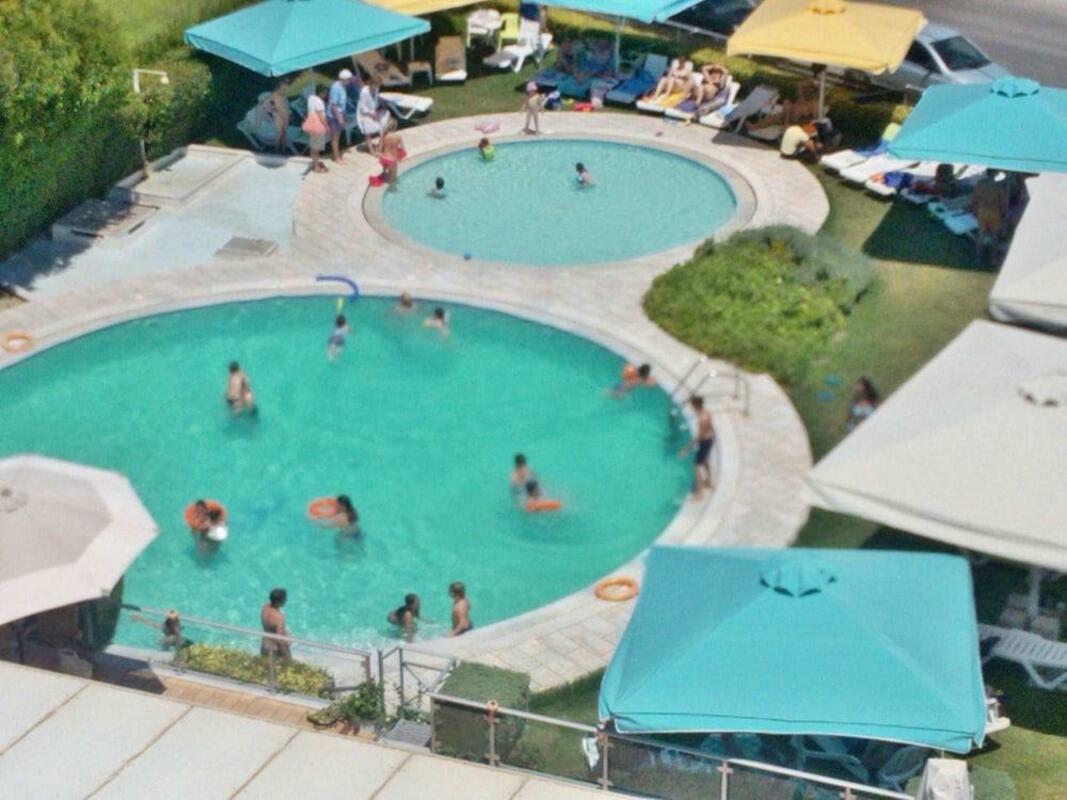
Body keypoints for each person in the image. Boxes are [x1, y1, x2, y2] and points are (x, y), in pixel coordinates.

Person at [678, 395, 715, 498]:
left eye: (692, 405)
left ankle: (699, 492)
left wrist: (686, 449)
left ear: (696, 405)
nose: (691, 407)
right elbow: (710, 428)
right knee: (705, 460)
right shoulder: (707, 412)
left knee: (696, 465)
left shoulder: (702, 419)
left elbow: (699, 436)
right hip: (710, 439)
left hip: (704, 441)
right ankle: (709, 482)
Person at [972, 169, 1007, 264]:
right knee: (995, 236)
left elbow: (974, 198)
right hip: (994, 212)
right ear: (995, 173)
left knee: (981, 234)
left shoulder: (980, 183)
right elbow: (1003, 202)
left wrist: (974, 210)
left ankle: (977, 257)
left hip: (982, 210)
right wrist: (1003, 214)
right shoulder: (998, 186)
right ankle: (993, 258)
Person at [357, 77, 393, 155]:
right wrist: (370, 113)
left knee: (382, 129)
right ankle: (371, 150)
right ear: (372, 84)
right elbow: (362, 107)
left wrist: (379, 108)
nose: (378, 87)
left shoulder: (376, 89)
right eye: (377, 85)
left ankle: (380, 147)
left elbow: (375, 101)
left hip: (374, 111)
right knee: (368, 133)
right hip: (364, 113)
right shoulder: (364, 92)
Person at [302, 86, 330, 174]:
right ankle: (316, 167)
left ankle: (315, 163)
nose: (326, 95)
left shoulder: (311, 98)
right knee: (316, 148)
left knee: (313, 146)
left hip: (312, 126)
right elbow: (321, 116)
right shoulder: (319, 102)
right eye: (325, 93)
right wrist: (327, 127)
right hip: (318, 127)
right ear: (321, 93)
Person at [328, 69, 352, 163]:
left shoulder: (342, 86)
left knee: (338, 136)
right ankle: (336, 158)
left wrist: (343, 115)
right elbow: (333, 105)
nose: (349, 81)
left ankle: (337, 155)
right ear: (343, 79)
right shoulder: (336, 88)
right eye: (348, 79)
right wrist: (339, 118)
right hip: (334, 116)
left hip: (340, 113)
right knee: (335, 137)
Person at [261, 588, 291, 662]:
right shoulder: (279, 617)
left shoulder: (265, 607)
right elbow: (279, 639)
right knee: (287, 667)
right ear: (278, 602)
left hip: (265, 644)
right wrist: (287, 655)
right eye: (284, 599)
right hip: (275, 649)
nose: (286, 600)